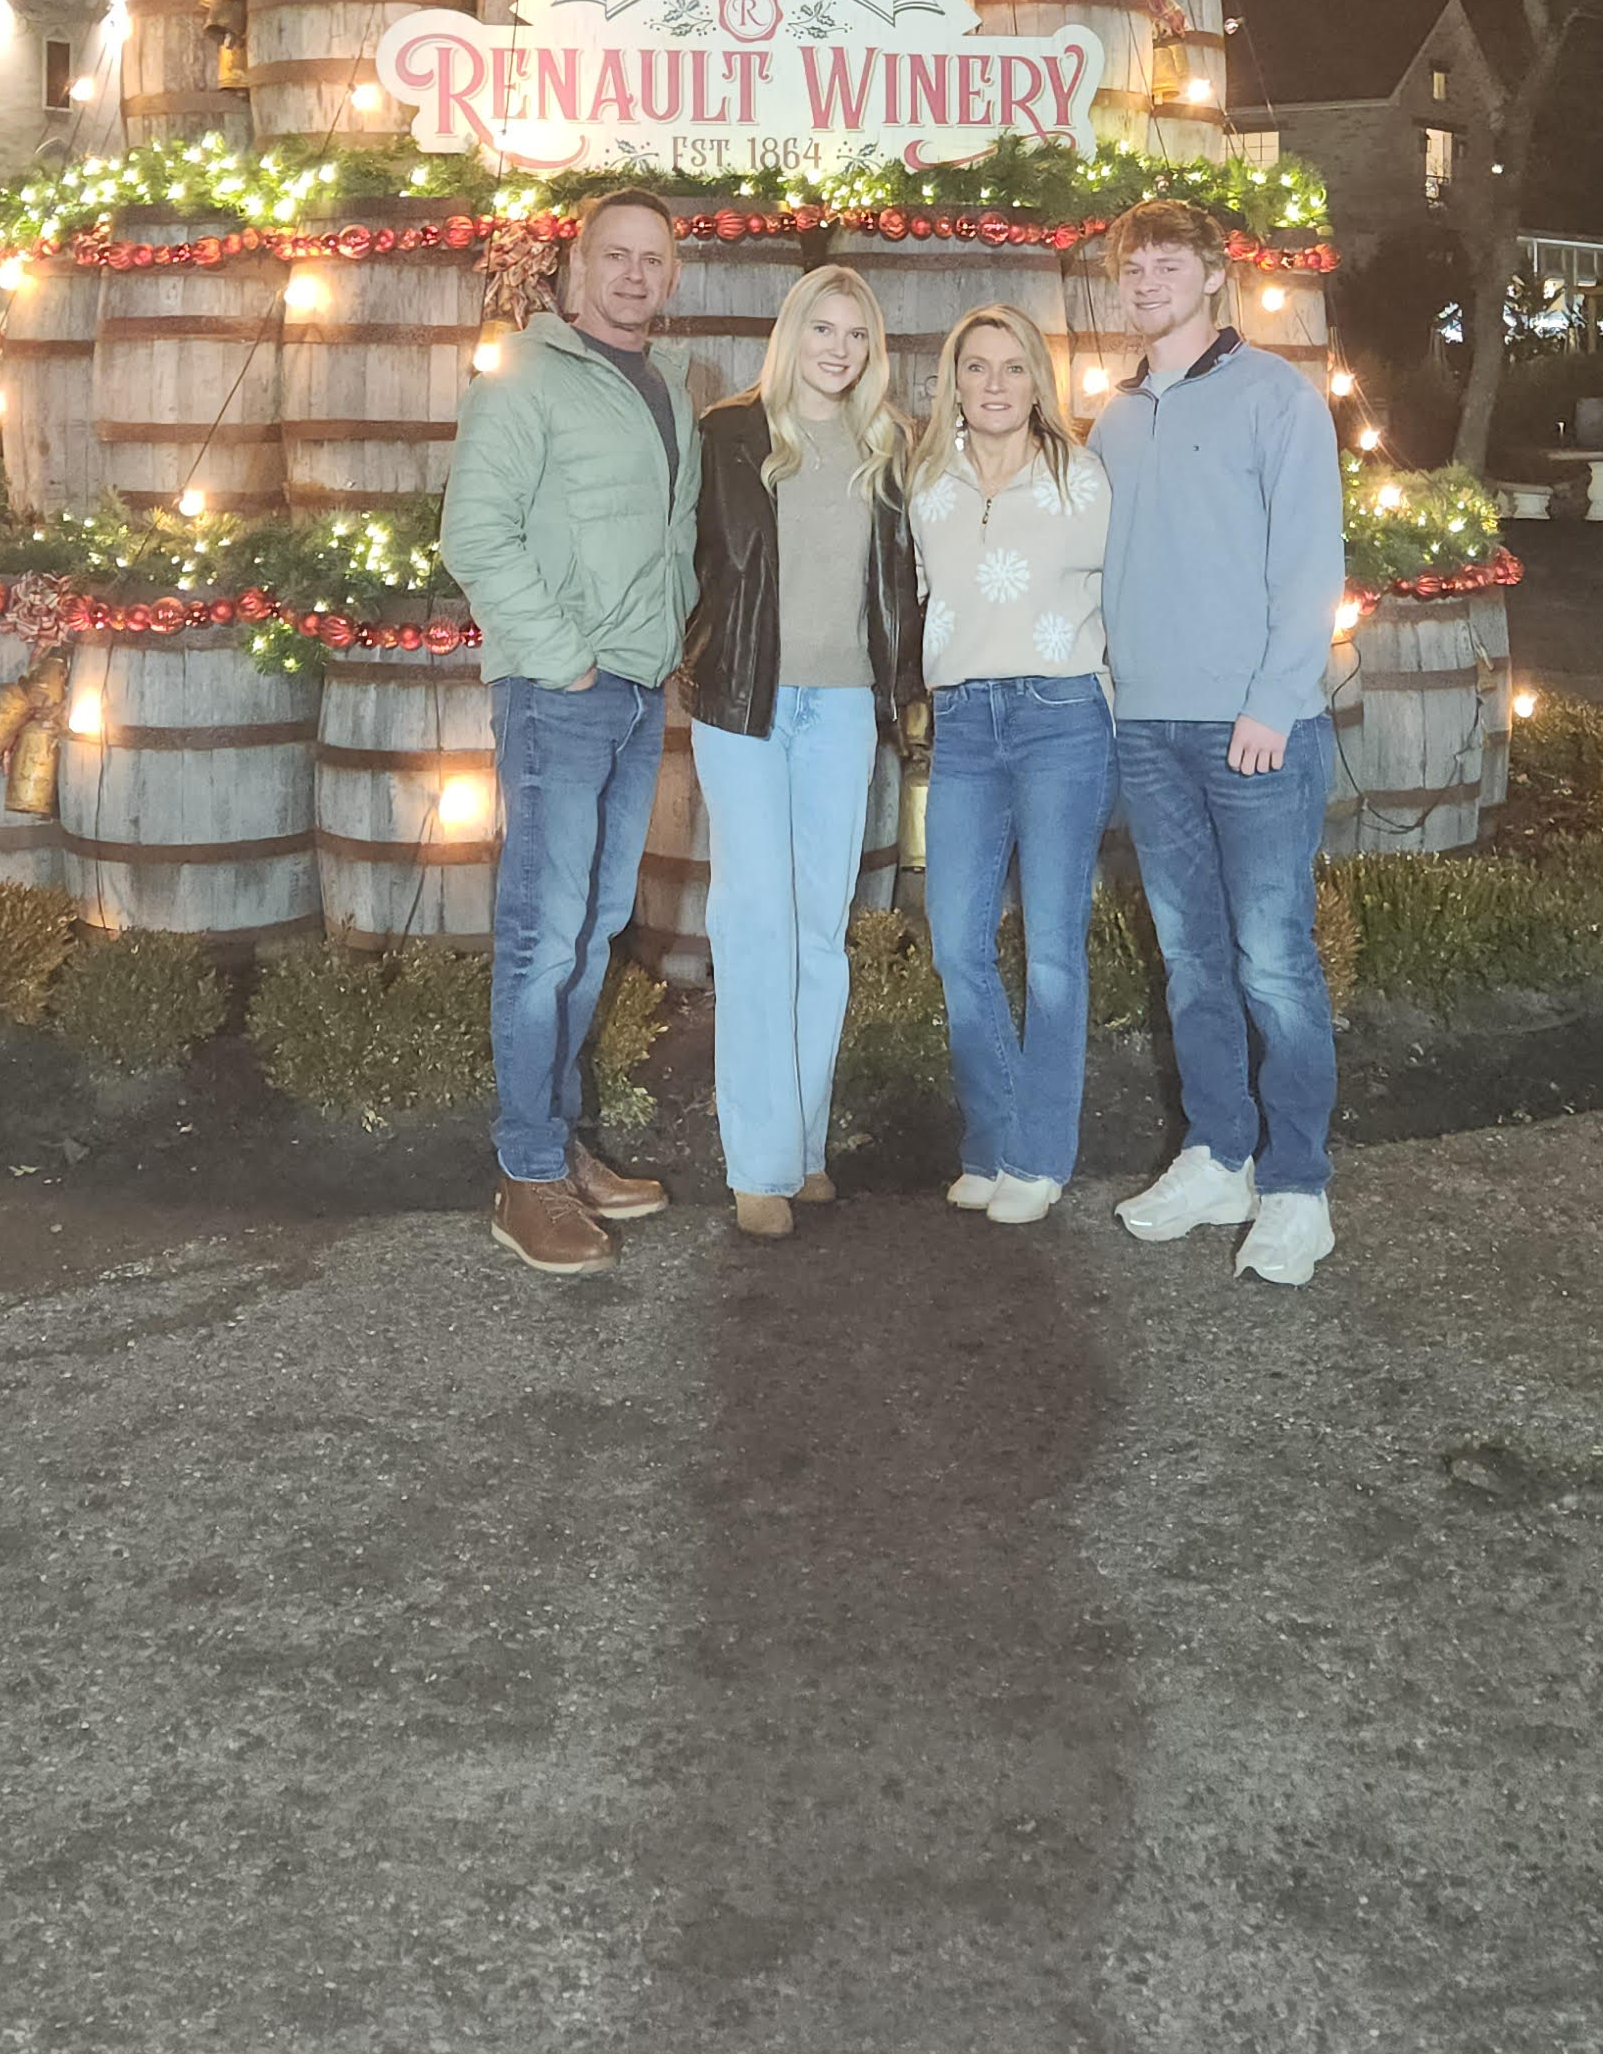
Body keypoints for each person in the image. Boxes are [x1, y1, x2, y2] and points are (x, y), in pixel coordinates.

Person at [439, 188, 700, 1278]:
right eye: (616, 256)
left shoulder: (670, 386)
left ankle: (558, 1141)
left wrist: (663, 647)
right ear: (574, 267)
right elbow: (474, 533)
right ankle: (525, 1173)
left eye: (653, 260)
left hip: (638, 692)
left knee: (592, 930)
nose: (635, 275)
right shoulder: (525, 379)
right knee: (545, 937)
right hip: (564, 693)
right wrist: (565, 657)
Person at [1089, 197, 1347, 1285]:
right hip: (1145, 727)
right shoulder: (1113, 417)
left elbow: (1307, 565)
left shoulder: (1275, 398)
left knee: (1272, 962)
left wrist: (1272, 702)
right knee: (1191, 960)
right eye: (1130, 266)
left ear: (1209, 275)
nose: (1145, 280)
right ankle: (1218, 1153)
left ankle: (1297, 1186)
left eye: (1166, 263)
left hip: (1252, 729)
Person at [684, 264, 920, 1239]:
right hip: (745, 707)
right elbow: (687, 563)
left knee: (821, 932)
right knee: (754, 925)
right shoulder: (730, 436)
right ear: (791, 334)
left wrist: (908, 697)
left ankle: (804, 1145)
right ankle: (755, 1163)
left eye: (854, 334)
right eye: (821, 328)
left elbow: (903, 588)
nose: (837, 347)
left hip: (843, 707)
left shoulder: (885, 447)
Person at [908, 301, 1114, 1226]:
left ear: (1040, 381)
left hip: (1059, 716)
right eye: (977, 367)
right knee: (957, 942)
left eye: (1014, 368)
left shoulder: (1082, 478)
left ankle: (1041, 1154)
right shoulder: (926, 479)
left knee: (1054, 952)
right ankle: (991, 1140)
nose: (995, 385)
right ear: (954, 379)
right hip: (963, 724)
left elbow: (1128, 589)